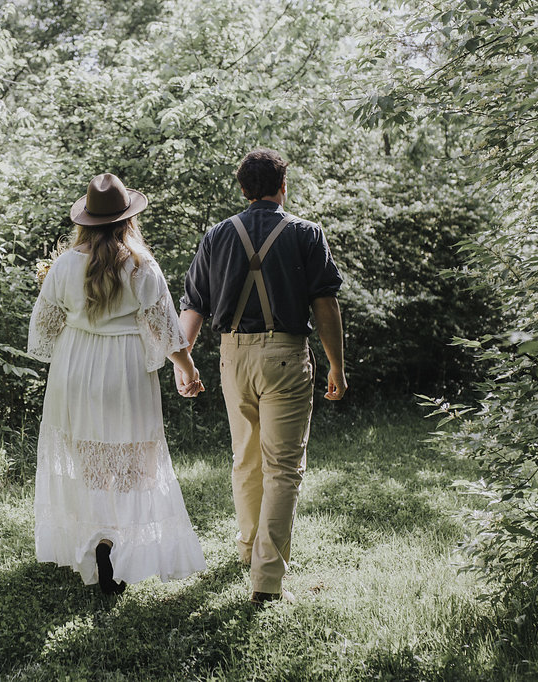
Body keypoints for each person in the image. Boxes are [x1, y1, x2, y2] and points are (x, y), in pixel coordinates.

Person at [176, 149, 347, 607]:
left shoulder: (216, 236)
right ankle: (267, 582)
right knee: (283, 469)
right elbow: (325, 305)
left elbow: (193, 303)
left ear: (243, 189)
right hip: (287, 356)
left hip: (234, 357)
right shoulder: (307, 234)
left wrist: (183, 362)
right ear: (282, 186)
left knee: (246, 459)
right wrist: (337, 365)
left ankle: (249, 549)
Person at [27, 173, 207, 595]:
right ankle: (120, 549)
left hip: (76, 366)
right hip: (124, 369)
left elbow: (45, 326)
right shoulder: (141, 264)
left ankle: (99, 541)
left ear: (85, 221)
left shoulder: (66, 264)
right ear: (127, 219)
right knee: (131, 463)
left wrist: (79, 322)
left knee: (90, 460)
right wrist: (188, 368)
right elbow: (164, 328)